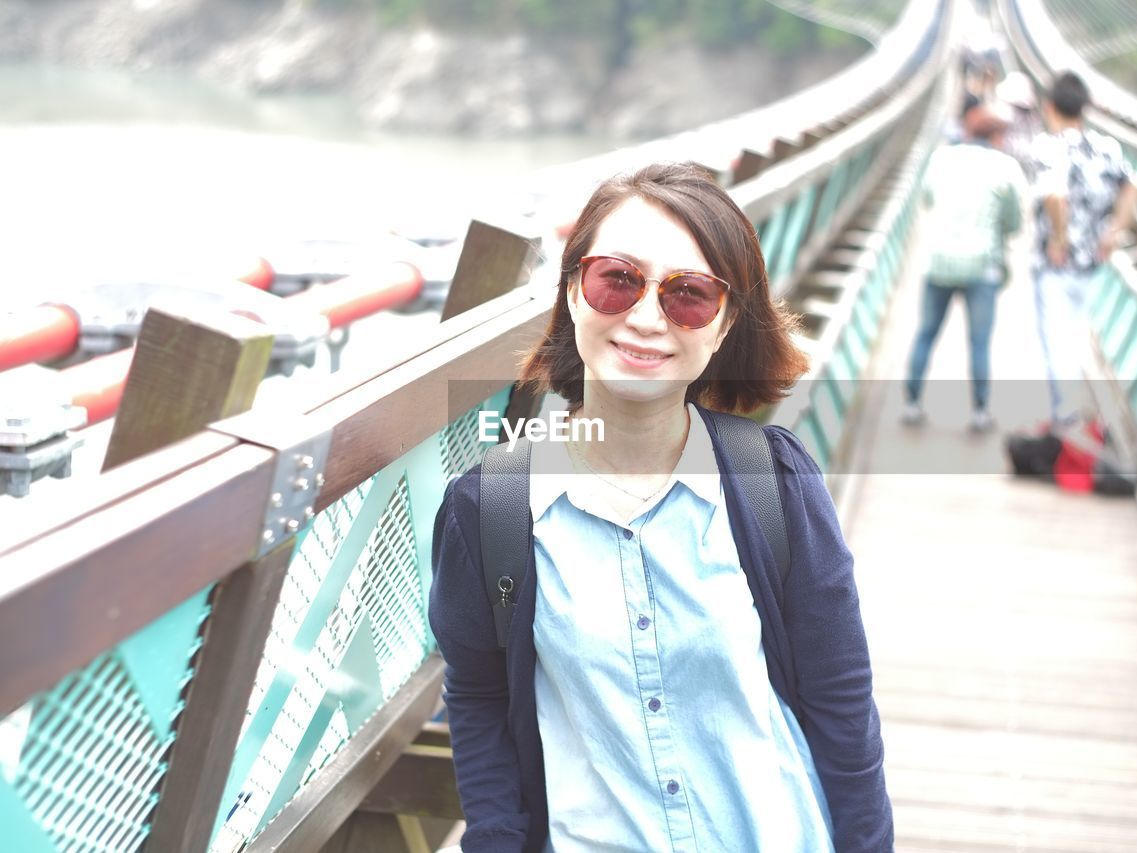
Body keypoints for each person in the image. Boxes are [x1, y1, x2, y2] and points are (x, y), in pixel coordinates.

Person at [428, 162, 893, 852]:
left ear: (724, 322)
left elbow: (842, 713)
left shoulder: (776, 483)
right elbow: (481, 702)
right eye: (616, 278)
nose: (645, 317)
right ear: (573, 292)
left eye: (689, 295)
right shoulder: (489, 508)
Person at [903, 103, 1027, 432]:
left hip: (939, 261)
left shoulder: (943, 158)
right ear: (998, 136)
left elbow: (927, 197)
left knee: (926, 334)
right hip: (982, 267)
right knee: (979, 342)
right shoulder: (1006, 167)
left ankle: (912, 404)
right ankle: (980, 412)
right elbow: (1015, 220)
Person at [1030, 71, 1137, 426]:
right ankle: (1080, 414)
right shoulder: (1107, 147)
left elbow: (1053, 194)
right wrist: (1114, 232)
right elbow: (1134, 186)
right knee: (1080, 337)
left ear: (1049, 107)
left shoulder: (1048, 146)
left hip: (1057, 262)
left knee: (1056, 340)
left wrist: (1059, 240)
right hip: (1094, 260)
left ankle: (1066, 416)